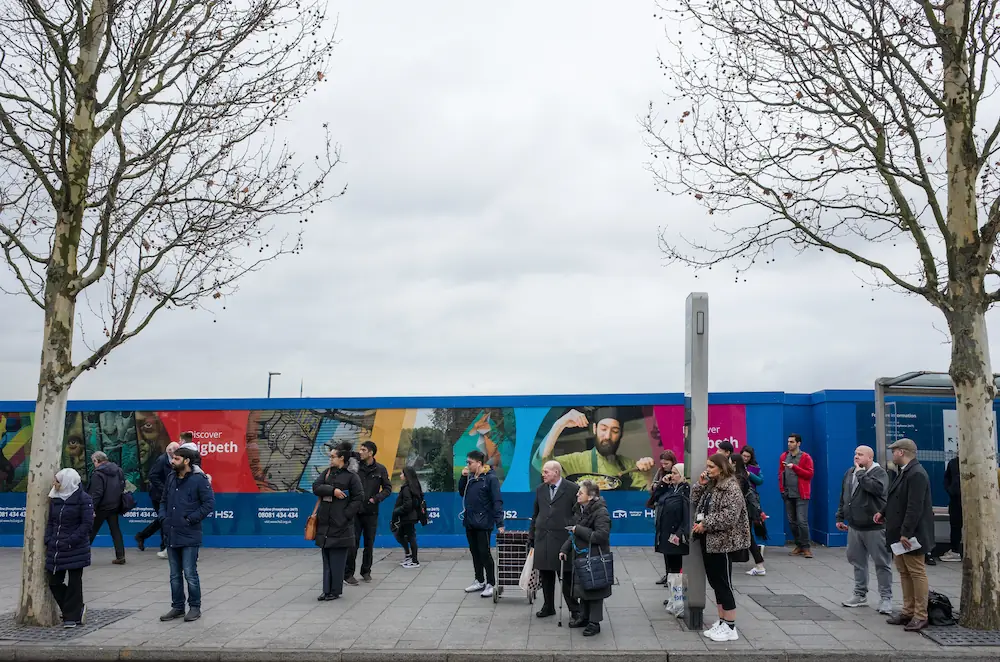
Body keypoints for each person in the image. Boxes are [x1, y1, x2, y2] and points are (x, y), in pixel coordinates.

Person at [691, 453, 751, 643]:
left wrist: (706, 523)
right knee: (715, 583)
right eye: (707, 466)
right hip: (708, 540)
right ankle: (722, 621)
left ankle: (731, 627)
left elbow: (729, 516)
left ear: (721, 467)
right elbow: (695, 501)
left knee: (724, 583)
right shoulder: (712, 484)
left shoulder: (731, 487)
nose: (708, 469)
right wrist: (700, 484)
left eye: (711, 466)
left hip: (723, 542)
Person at [877, 438, 934, 632]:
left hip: (911, 535)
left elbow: (914, 506)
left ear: (902, 452)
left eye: (894, 451)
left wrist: (906, 533)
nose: (892, 454)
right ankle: (908, 610)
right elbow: (896, 498)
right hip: (899, 533)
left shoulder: (917, 473)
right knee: (903, 571)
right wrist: (883, 513)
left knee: (916, 571)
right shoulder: (904, 472)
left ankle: (920, 615)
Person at [159, 446, 215, 623]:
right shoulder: (171, 477)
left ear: (186, 461)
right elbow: (164, 500)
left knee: (190, 573)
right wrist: (163, 518)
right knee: (174, 574)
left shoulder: (199, 480)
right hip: (171, 532)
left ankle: (195, 607)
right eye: (172, 458)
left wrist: (190, 519)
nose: (172, 461)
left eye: (176, 459)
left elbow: (208, 504)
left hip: (190, 534)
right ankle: (177, 607)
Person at [534, 407, 654, 490]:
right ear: (595, 429)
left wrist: (647, 475)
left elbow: (646, 502)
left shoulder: (630, 466)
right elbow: (543, 464)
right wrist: (560, 424)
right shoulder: (577, 461)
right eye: (603, 429)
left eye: (615, 431)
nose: (607, 436)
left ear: (621, 434)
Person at [835, 445, 892, 614]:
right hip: (854, 526)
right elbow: (844, 495)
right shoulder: (850, 472)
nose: (856, 457)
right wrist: (840, 516)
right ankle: (860, 595)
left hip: (875, 527)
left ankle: (886, 598)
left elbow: (877, 489)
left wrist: (860, 474)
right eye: (855, 454)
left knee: (882, 563)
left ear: (870, 457)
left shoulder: (879, 473)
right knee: (857, 561)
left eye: (860, 454)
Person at [559, 479, 612, 637]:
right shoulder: (580, 509)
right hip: (582, 555)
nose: (577, 494)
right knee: (583, 588)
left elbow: (601, 535)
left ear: (590, 496)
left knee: (595, 589)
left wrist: (579, 529)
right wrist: (565, 549)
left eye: (580, 493)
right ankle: (584, 617)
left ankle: (594, 623)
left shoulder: (601, 512)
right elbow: (573, 532)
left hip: (595, 556)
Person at [312, 447, 364, 601]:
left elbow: (358, 497)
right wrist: (332, 490)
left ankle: (335, 591)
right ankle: (326, 590)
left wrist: (345, 515)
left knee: (337, 560)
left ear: (341, 458)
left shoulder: (351, 477)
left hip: (341, 525)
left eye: (333, 456)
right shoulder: (327, 472)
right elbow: (316, 487)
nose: (330, 459)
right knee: (327, 559)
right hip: (325, 523)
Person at [529, 460, 579, 620]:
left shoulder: (572, 489)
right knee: (545, 574)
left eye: (546, 472)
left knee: (565, 576)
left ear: (556, 472)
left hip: (562, 539)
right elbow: (535, 513)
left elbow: (578, 514)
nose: (542, 474)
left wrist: (570, 527)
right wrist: (532, 534)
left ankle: (574, 608)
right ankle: (548, 606)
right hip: (543, 538)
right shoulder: (540, 490)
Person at [45, 468, 94, 628]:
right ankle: (76, 609)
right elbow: (51, 522)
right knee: (54, 581)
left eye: (57, 481)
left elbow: (86, 524)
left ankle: (71, 617)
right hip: (57, 547)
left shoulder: (83, 498)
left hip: (75, 547)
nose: (54, 483)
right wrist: (49, 539)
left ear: (67, 481)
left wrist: (71, 540)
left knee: (74, 582)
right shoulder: (55, 497)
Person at [458, 449, 504, 598]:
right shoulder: (471, 478)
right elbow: (461, 492)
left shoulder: (490, 478)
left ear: (479, 463)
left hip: (484, 522)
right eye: (467, 462)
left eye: (470, 463)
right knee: (474, 552)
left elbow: (497, 501)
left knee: (484, 552)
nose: (468, 465)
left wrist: (500, 523)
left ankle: (491, 582)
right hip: (470, 520)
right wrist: (463, 477)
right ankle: (479, 580)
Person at [345, 441, 392, 584]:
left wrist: (376, 499)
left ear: (371, 453)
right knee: (353, 543)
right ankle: (348, 574)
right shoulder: (354, 467)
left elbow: (387, 488)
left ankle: (366, 571)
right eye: (360, 449)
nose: (360, 452)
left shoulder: (380, 469)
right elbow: (346, 454)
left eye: (364, 449)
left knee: (369, 543)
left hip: (371, 512)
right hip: (356, 511)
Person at [653, 462, 690, 605]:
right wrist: (662, 484)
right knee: (669, 567)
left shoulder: (685, 490)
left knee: (676, 568)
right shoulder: (670, 488)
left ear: (682, 475)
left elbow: (687, 515)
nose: (671, 475)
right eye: (672, 472)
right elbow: (655, 498)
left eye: (675, 473)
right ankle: (672, 596)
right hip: (665, 534)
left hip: (676, 535)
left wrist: (680, 533)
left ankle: (678, 598)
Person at [136, 441, 178, 559]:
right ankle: (164, 546)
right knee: (164, 519)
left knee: (162, 519)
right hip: (158, 496)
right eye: (175, 451)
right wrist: (164, 488)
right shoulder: (162, 460)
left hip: (167, 495)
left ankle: (142, 536)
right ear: (169, 451)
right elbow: (152, 476)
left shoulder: (173, 459)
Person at [87, 451, 126, 565]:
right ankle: (120, 555)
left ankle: (82, 554)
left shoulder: (97, 474)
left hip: (101, 507)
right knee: (115, 530)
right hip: (114, 505)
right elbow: (122, 485)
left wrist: (91, 508)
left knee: (92, 531)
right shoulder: (118, 470)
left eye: (93, 461)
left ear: (96, 460)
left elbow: (97, 493)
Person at [779, 433, 814, 558]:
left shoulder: (805, 457)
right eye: (788, 441)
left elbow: (809, 474)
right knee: (792, 522)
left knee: (801, 521)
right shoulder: (784, 456)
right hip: (788, 493)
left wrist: (795, 467)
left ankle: (806, 547)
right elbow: (780, 473)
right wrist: (782, 489)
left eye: (792, 442)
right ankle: (799, 545)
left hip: (801, 494)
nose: (789, 444)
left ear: (798, 443)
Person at [732, 455, 765, 576]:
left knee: (747, 536)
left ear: (734, 463)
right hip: (744, 511)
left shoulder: (740, 477)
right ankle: (759, 561)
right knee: (746, 536)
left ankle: (759, 563)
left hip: (743, 511)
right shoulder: (741, 475)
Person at [393, 466, 423, 569]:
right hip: (410, 516)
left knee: (410, 537)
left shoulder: (406, 488)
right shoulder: (414, 486)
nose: (400, 475)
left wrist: (397, 511)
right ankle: (409, 555)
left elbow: (408, 504)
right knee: (400, 535)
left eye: (402, 474)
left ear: (406, 476)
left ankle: (414, 560)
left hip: (407, 517)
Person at [941, 454, 962, 562]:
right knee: (955, 526)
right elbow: (947, 478)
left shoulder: (976, 461)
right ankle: (955, 550)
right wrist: (950, 490)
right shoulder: (953, 463)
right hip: (955, 500)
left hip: (972, 500)